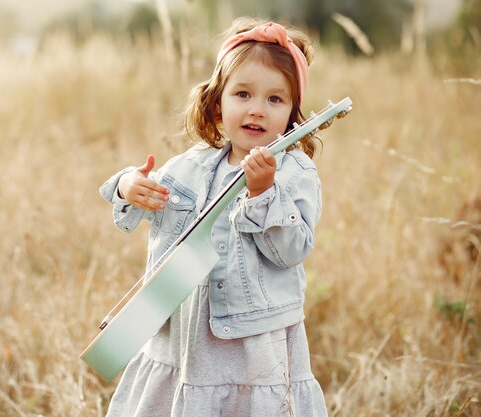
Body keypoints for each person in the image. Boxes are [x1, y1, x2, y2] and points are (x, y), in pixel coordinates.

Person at [99, 17, 328, 417]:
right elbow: (141, 202)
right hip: (184, 334)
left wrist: (264, 194)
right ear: (217, 100)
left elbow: (292, 251)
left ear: (293, 114)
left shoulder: (294, 174)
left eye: (276, 100)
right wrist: (128, 186)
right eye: (243, 94)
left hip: (254, 346)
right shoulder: (189, 166)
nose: (257, 109)